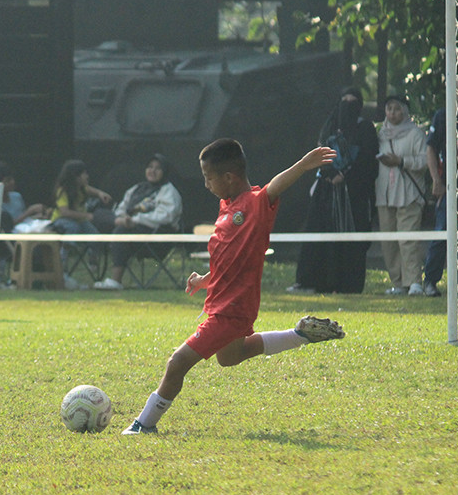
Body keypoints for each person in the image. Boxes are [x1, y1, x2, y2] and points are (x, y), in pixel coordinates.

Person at [121, 139, 346, 435]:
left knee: (177, 362)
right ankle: (301, 334)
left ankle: (144, 424)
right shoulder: (226, 207)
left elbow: (274, 187)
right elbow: (230, 257)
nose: (205, 184)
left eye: (208, 177)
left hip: (232, 310)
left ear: (229, 177)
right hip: (224, 303)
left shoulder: (253, 204)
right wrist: (206, 279)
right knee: (229, 357)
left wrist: (304, 164)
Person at [287, 87, 379, 294]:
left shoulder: (365, 128)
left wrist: (346, 176)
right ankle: (310, 280)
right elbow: (318, 153)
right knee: (318, 233)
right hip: (326, 190)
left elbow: (368, 158)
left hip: (353, 193)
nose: (348, 105)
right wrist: (329, 174)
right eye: (344, 100)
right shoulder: (329, 126)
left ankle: (347, 284)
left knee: (350, 237)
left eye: (353, 101)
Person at [422, 74, 458, 297]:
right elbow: (431, 149)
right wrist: (436, 180)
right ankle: (431, 281)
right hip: (448, 188)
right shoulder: (443, 116)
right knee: (442, 234)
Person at [94, 153, 183, 290]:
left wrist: (135, 221)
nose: (152, 171)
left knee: (121, 231)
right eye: (149, 167)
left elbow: (165, 217)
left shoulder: (169, 192)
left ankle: (115, 281)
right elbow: (122, 208)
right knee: (99, 214)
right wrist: (123, 218)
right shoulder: (137, 188)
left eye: (157, 168)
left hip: (156, 237)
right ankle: (119, 223)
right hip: (130, 228)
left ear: (164, 171)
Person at [375, 95, 429, 296]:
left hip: (409, 194)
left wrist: (401, 161)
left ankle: (414, 282)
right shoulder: (381, 134)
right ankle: (398, 283)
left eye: (397, 109)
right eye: (389, 109)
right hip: (385, 194)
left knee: (408, 239)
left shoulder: (415, 134)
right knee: (388, 240)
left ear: (405, 111)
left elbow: (424, 161)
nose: (392, 113)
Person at [0, 161, 46, 233]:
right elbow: (7, 226)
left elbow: (22, 220)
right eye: (8, 180)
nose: (12, 182)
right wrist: (29, 211)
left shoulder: (16, 197)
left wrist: (36, 217)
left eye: (12, 179)